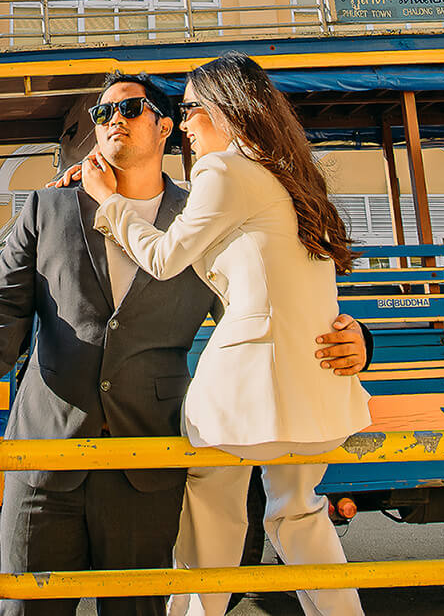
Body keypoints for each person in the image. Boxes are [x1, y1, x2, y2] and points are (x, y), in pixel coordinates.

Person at [0, 70, 372, 616]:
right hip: (46, 457)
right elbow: (4, 307)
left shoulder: (204, 212)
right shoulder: (48, 209)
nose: (113, 119)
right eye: (102, 113)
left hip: (146, 463)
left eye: (130, 109)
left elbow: (262, 294)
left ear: (164, 126)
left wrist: (356, 336)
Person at [85, 55, 366, 616]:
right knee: (300, 516)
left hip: (243, 387)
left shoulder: (222, 171)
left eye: (189, 108)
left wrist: (108, 200)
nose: (184, 122)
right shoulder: (291, 173)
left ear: (224, 108)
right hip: (317, 382)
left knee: (210, 521)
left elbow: (163, 259)